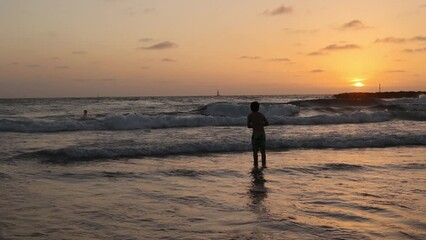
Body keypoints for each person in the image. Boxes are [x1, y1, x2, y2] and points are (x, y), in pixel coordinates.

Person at [247, 101, 269, 168]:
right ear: (258, 108)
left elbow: (248, 125)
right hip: (262, 134)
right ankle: (263, 163)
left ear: (251, 108)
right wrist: (261, 125)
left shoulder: (250, 115)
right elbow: (267, 123)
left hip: (255, 134)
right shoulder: (261, 115)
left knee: (255, 151)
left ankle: (256, 164)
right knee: (263, 151)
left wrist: (254, 125)